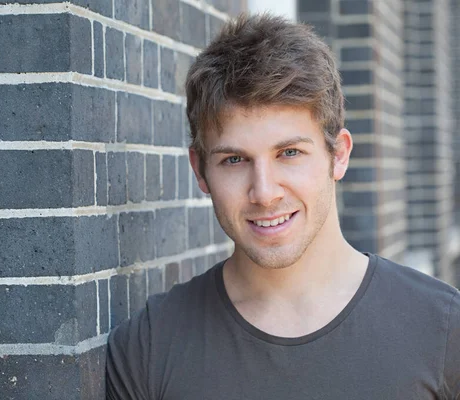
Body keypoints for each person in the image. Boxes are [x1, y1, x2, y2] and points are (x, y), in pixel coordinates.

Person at [105, 13, 460, 400]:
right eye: (234, 160)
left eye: (289, 153)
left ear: (338, 155)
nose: (264, 192)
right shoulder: (150, 347)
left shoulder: (442, 329)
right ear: (200, 170)